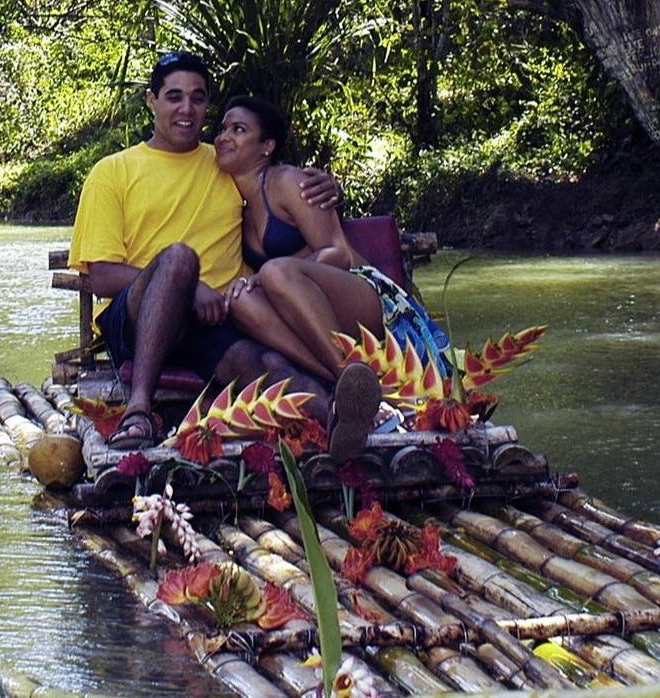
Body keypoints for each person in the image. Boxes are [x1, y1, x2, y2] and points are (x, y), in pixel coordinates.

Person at [68, 53, 380, 459]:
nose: (186, 109)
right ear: (152, 100)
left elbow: (278, 185)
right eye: (174, 97)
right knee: (179, 259)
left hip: (217, 321)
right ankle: (139, 410)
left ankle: (342, 420)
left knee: (269, 364)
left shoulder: (225, 163)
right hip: (138, 316)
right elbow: (104, 277)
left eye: (198, 99)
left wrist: (325, 187)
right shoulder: (112, 172)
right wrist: (190, 286)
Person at [215, 96, 453, 384]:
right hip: (308, 313)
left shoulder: (288, 181)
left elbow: (338, 253)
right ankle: (342, 381)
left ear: (267, 146)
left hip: (363, 294)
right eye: (223, 129)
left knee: (275, 271)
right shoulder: (232, 199)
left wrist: (273, 274)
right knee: (241, 301)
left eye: (238, 130)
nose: (224, 137)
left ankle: (348, 374)